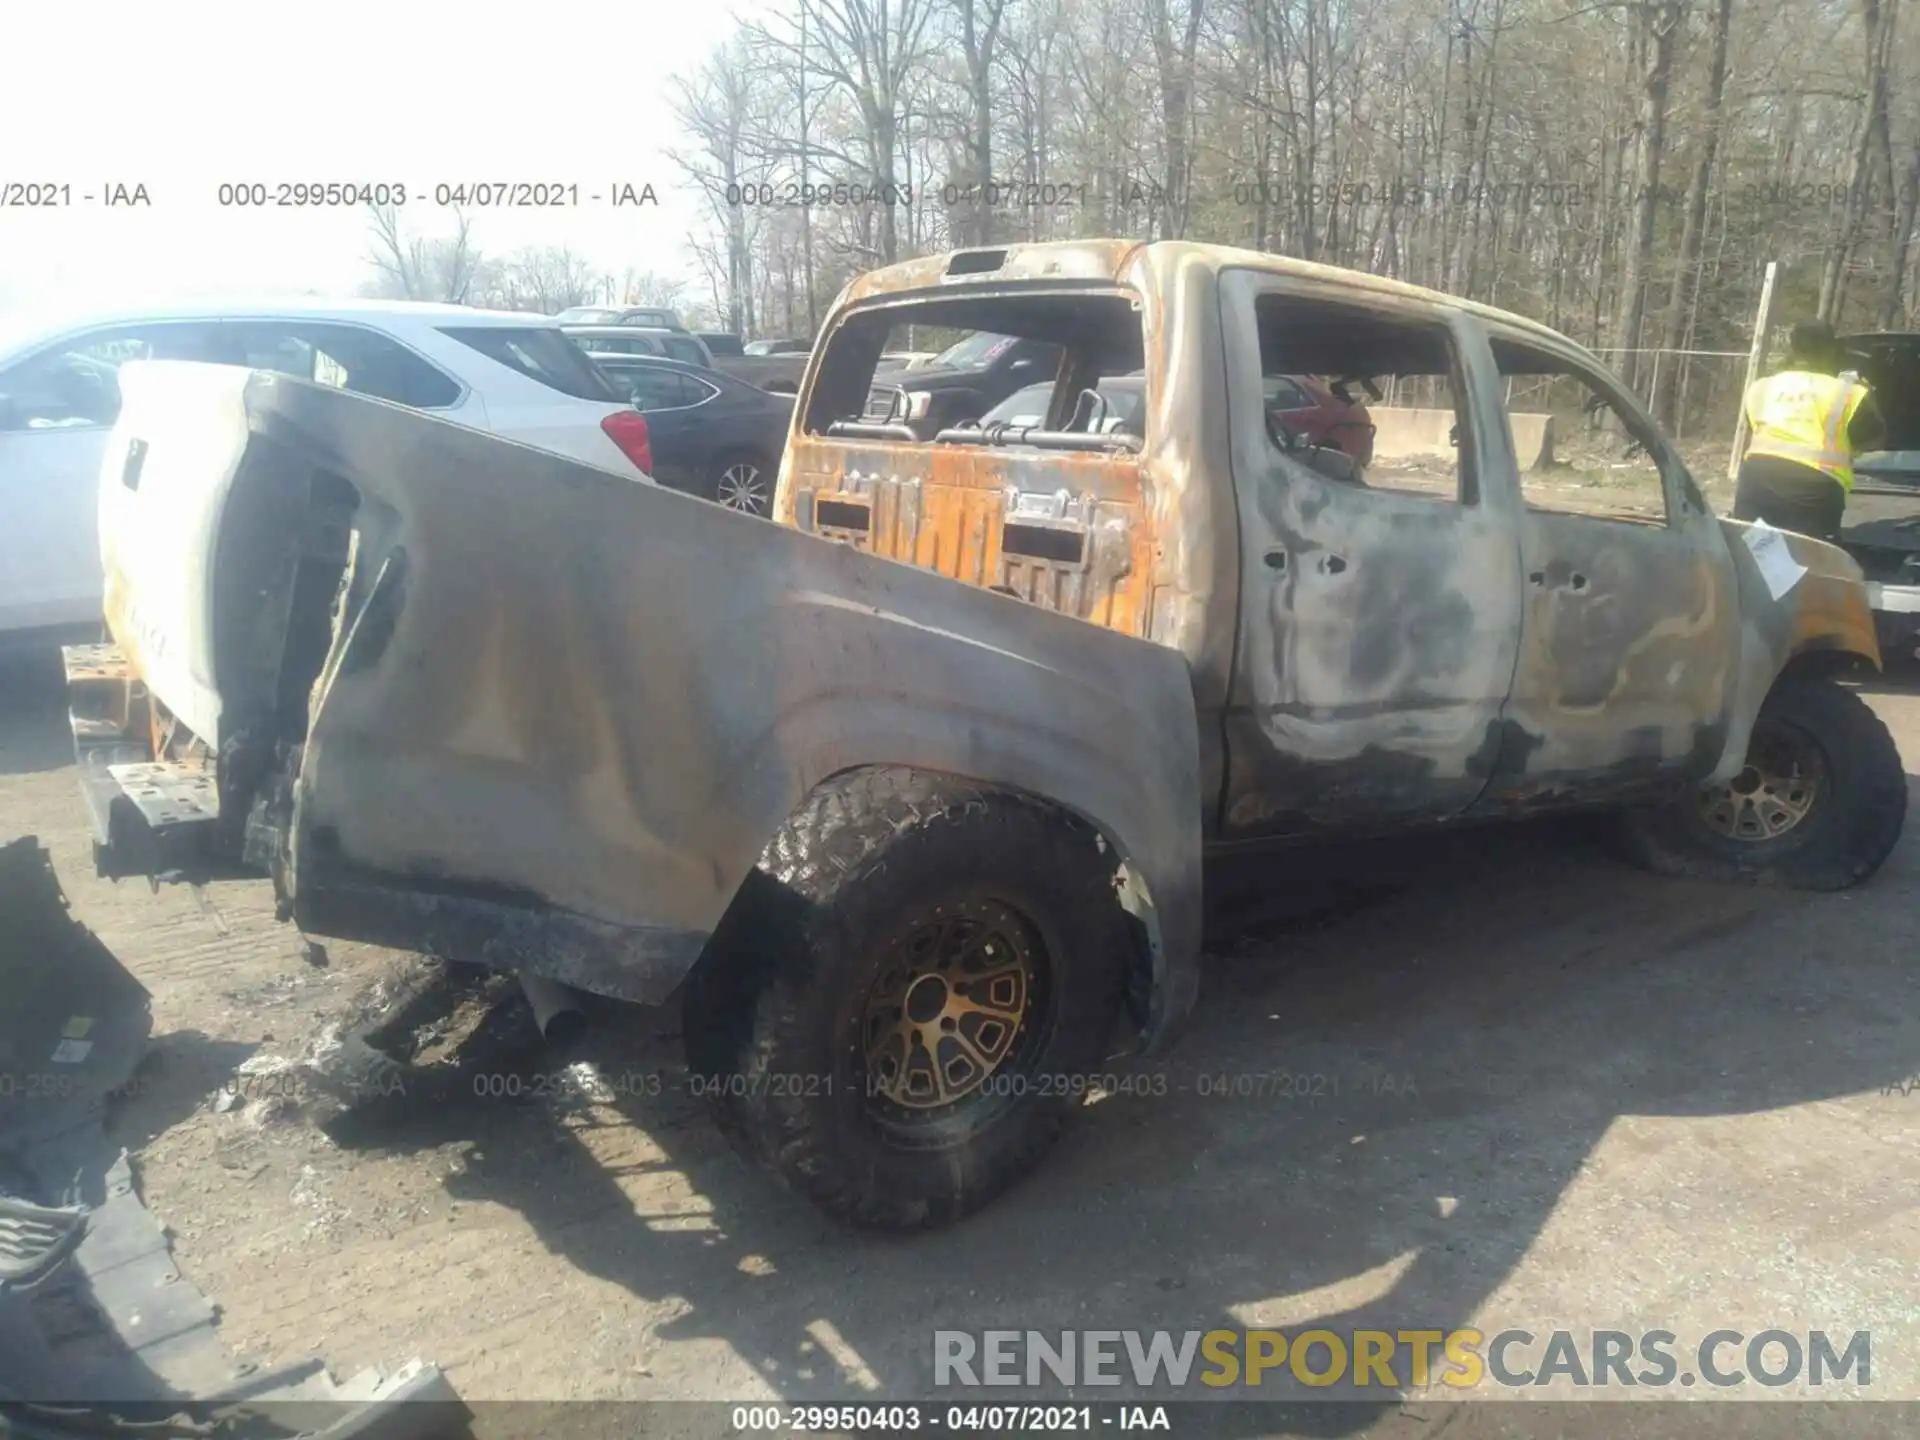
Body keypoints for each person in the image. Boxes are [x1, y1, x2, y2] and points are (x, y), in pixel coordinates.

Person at [1732, 321, 1885, 540]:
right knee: (1810, 556)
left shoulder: (1762, 386)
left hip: (1756, 481)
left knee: (1756, 552)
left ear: (1792, 348)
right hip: (1813, 488)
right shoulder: (1848, 392)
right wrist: (1870, 397)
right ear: (1831, 351)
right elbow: (1873, 441)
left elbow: (1755, 430)